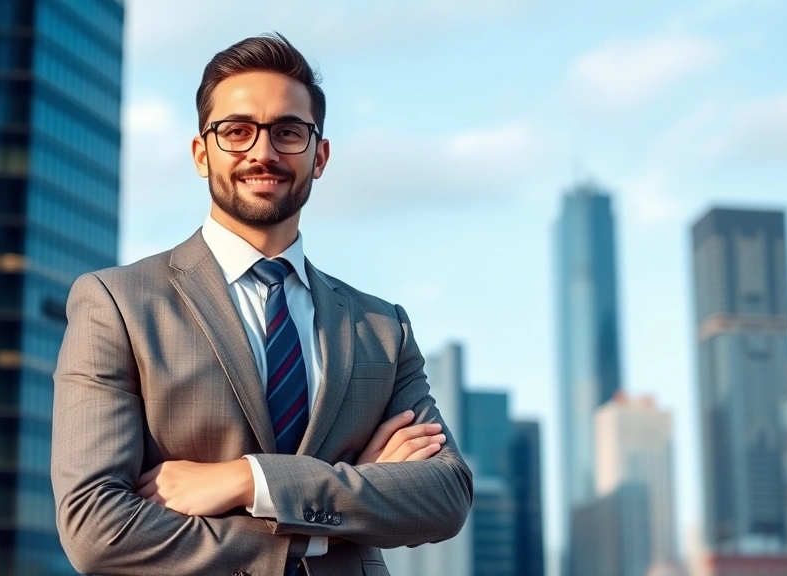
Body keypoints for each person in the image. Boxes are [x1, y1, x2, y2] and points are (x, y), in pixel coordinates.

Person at [51, 33, 472, 576]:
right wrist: (326, 522)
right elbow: (96, 529)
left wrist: (247, 480)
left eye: (288, 133)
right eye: (237, 131)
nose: (263, 152)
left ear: (319, 156)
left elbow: (444, 495)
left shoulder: (380, 328)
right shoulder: (118, 305)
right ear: (203, 153)